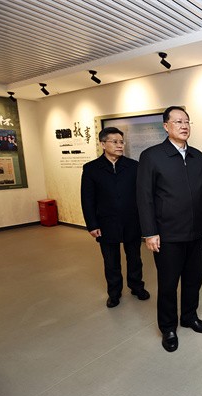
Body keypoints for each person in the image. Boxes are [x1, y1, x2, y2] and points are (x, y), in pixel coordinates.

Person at [136, 106, 202, 353]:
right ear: (166, 126)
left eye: (187, 121)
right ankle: (168, 327)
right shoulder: (152, 156)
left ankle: (189, 316)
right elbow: (144, 197)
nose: (184, 126)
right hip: (167, 234)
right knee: (169, 283)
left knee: (195, 278)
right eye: (178, 121)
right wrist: (149, 232)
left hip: (195, 231)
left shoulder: (198, 157)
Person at [80, 127, 149, 308]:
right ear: (103, 144)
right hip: (106, 222)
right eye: (115, 142)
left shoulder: (134, 166)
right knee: (111, 261)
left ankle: (136, 286)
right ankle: (114, 293)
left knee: (135, 258)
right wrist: (92, 224)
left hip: (132, 221)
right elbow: (87, 199)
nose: (120, 145)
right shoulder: (91, 169)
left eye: (121, 142)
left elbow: (142, 195)